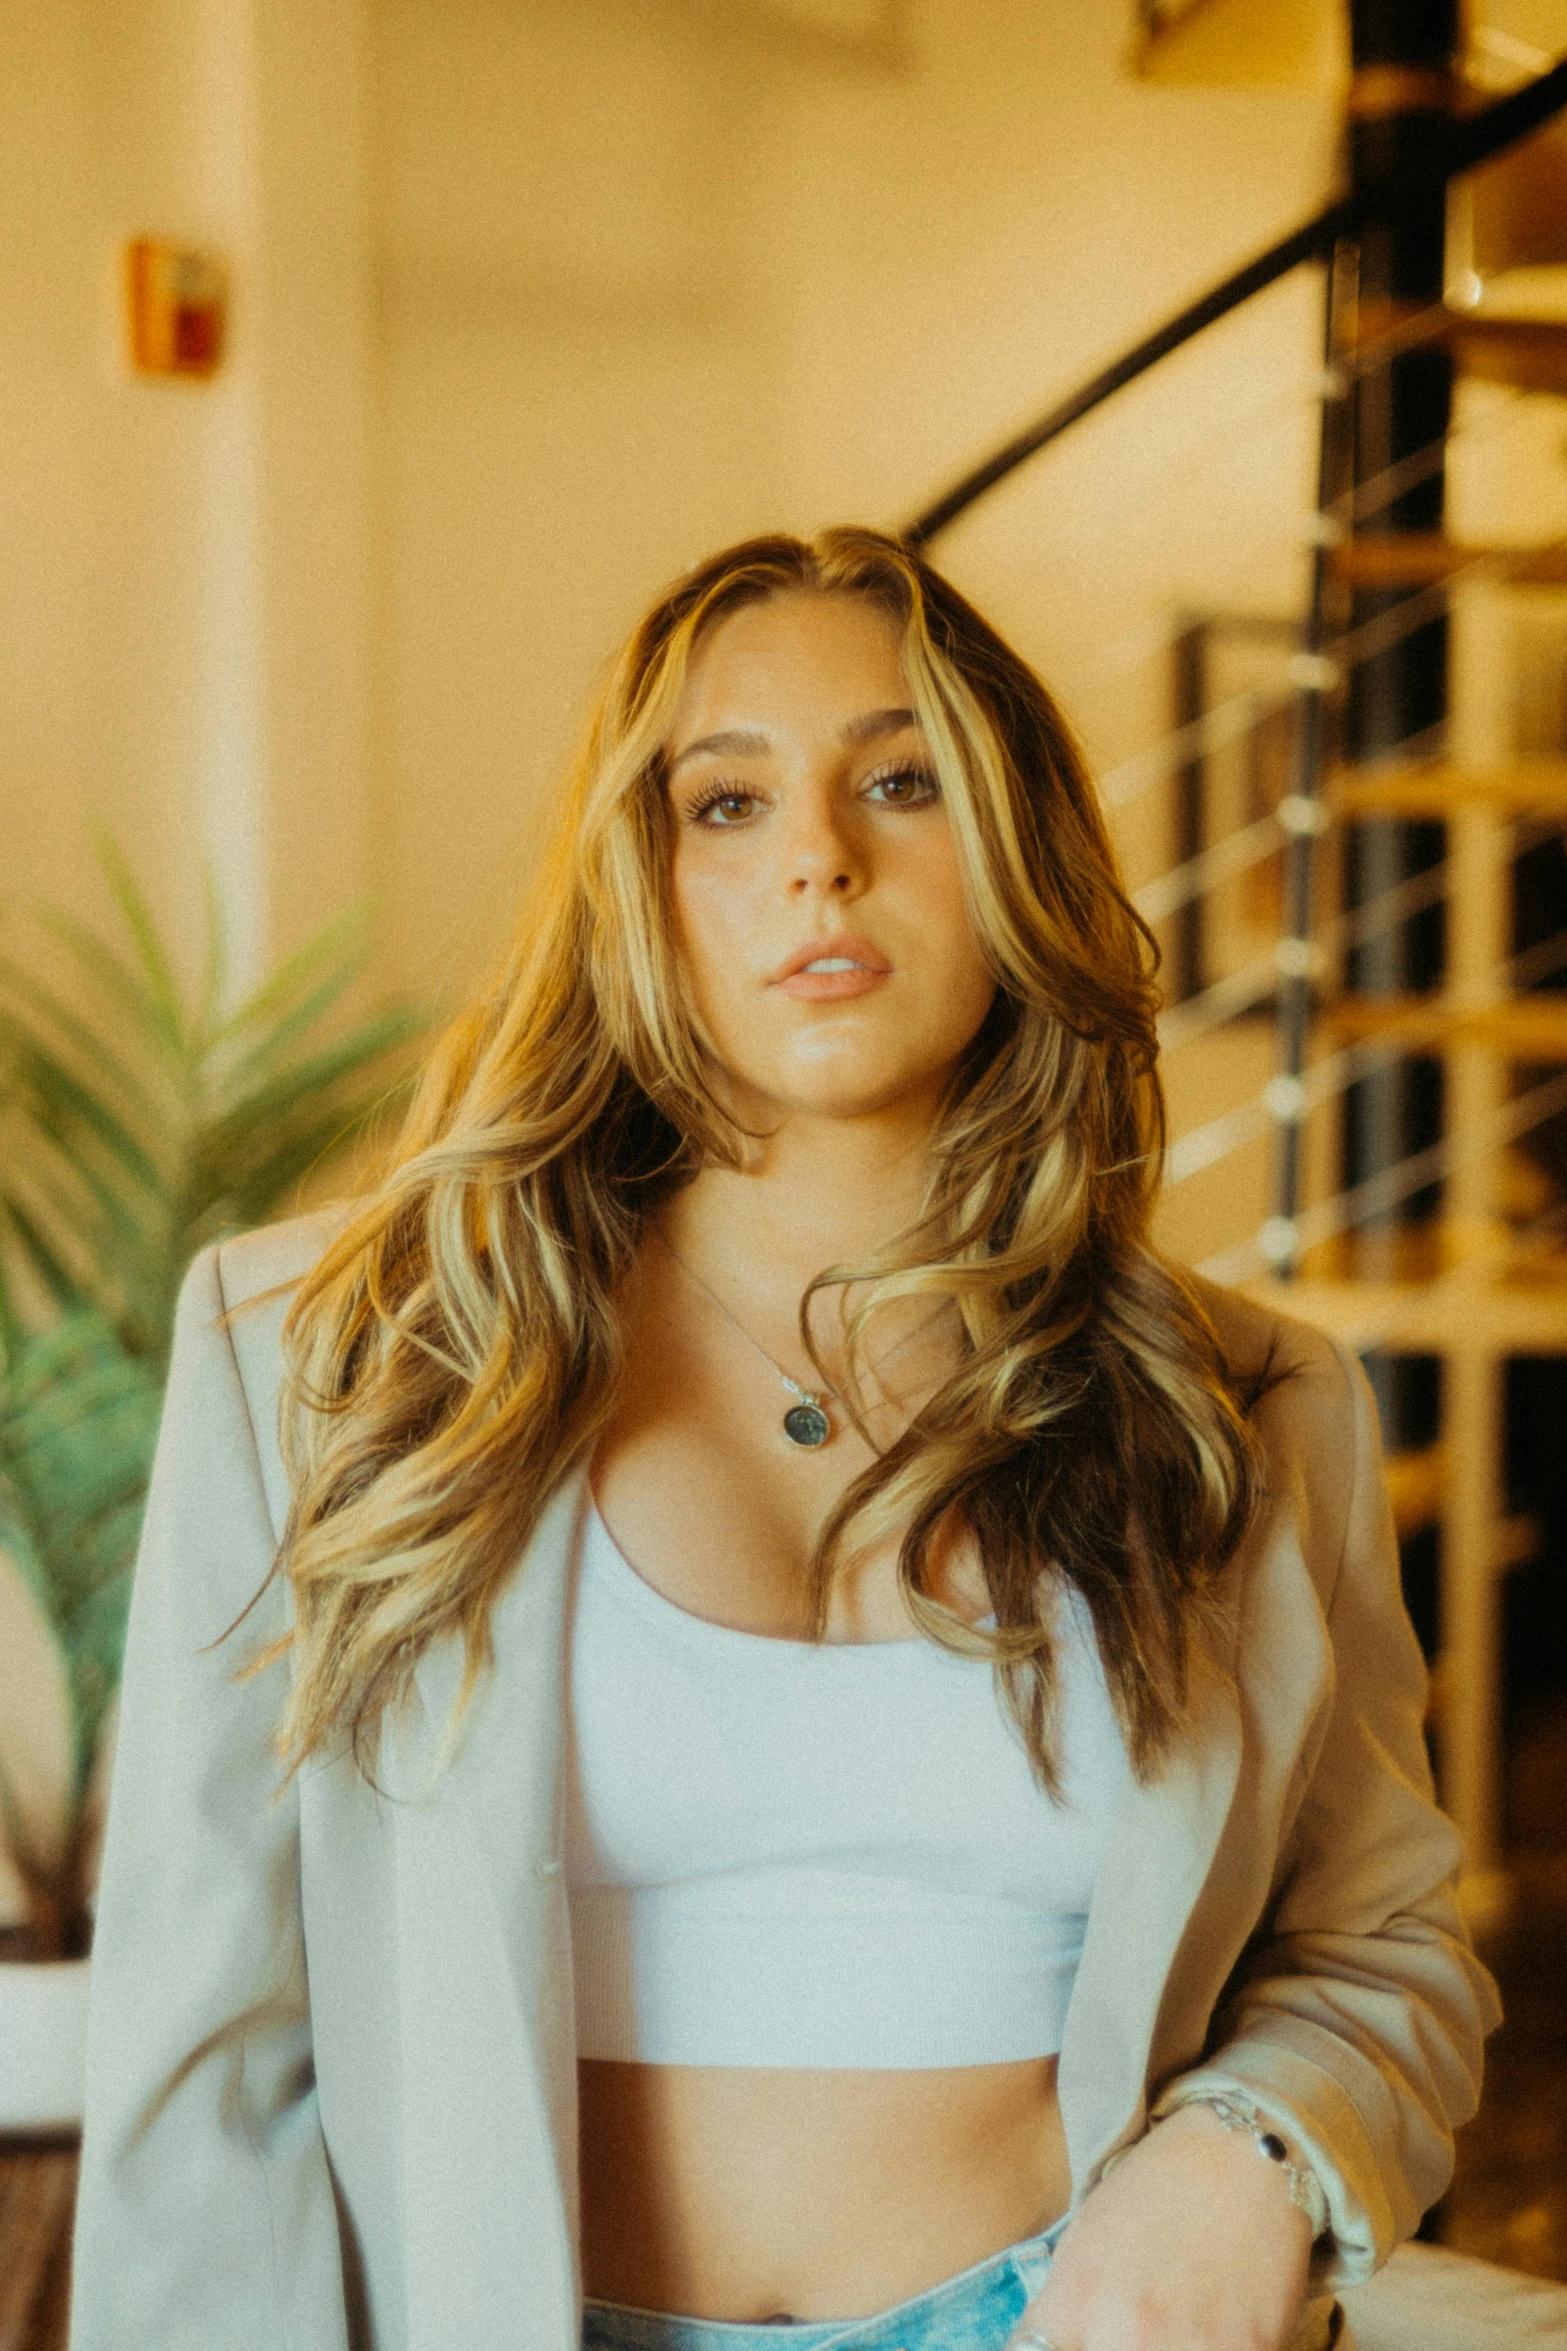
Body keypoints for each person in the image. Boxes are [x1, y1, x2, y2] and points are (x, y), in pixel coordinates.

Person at [70, 528, 1500, 2351]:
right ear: (633, 885)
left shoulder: (1247, 1412)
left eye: (899, 782)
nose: (819, 853)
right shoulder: (339, 1365)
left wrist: (1243, 2147)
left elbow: (1387, 1950)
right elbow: (208, 2059)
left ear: (1017, 856)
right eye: (722, 804)